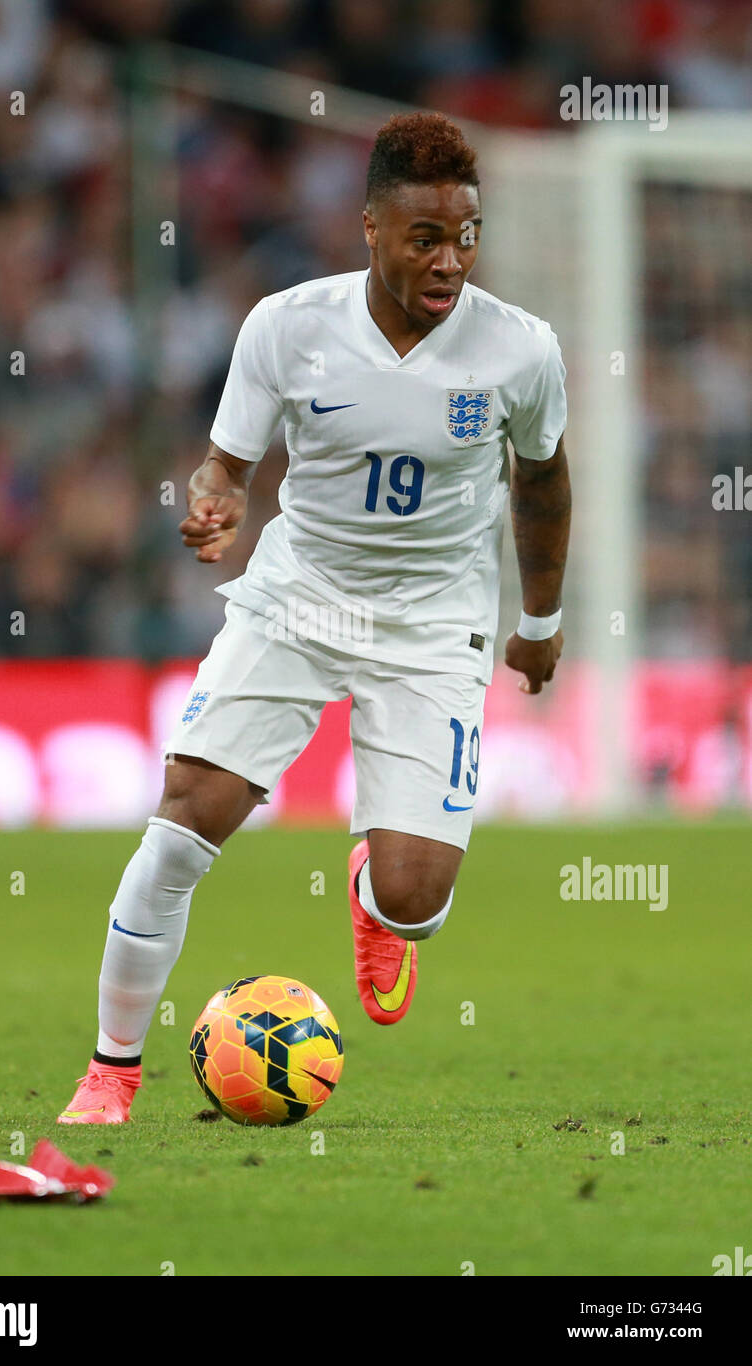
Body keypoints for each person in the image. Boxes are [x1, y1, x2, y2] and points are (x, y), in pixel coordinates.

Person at [58, 111, 571, 1125]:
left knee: (416, 900)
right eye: (424, 236)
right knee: (181, 823)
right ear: (369, 228)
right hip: (298, 597)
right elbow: (226, 466)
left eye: (465, 235)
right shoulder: (286, 326)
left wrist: (542, 619)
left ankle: (375, 897)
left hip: (434, 621)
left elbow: (544, 483)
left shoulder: (519, 350)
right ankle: (110, 1073)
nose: (448, 259)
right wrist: (213, 499)